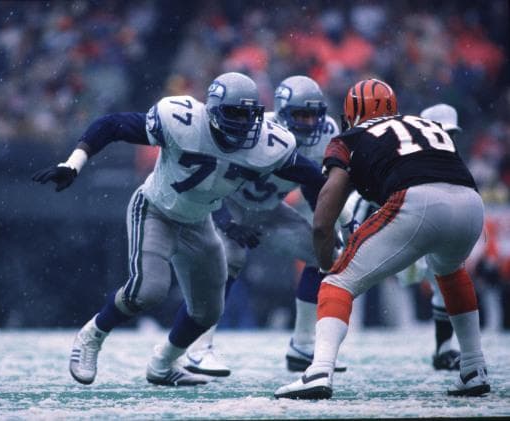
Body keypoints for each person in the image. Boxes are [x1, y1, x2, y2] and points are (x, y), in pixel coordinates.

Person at [32, 72, 326, 386]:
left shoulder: (269, 143)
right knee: (148, 291)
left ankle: (162, 364)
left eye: (249, 114)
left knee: (208, 312)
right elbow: (112, 124)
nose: (243, 123)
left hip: (200, 221)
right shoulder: (182, 121)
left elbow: (313, 177)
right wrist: (74, 163)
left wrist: (352, 184)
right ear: (213, 111)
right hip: (156, 210)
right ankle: (92, 335)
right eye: (234, 113)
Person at [274, 79, 490, 399]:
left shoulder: (350, 138)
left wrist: (326, 261)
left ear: (351, 114)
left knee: (337, 282)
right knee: (450, 271)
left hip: (416, 201)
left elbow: (322, 219)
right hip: (471, 204)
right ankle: (473, 366)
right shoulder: (424, 125)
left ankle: (318, 371)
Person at [179, 76, 348, 377]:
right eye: (300, 115)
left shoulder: (326, 134)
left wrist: (326, 223)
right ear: (282, 112)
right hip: (226, 203)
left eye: (314, 115)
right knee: (228, 259)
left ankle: (303, 345)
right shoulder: (255, 128)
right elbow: (210, 182)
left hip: (268, 210)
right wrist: (226, 222)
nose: (309, 123)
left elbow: (313, 184)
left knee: (323, 253)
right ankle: (197, 347)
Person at [340, 103, 465, 371]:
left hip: (417, 234)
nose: (447, 141)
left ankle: (445, 347)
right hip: (384, 234)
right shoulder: (396, 158)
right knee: (345, 274)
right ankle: (338, 342)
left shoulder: (448, 169)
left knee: (448, 273)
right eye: (443, 133)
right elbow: (357, 201)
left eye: (451, 135)